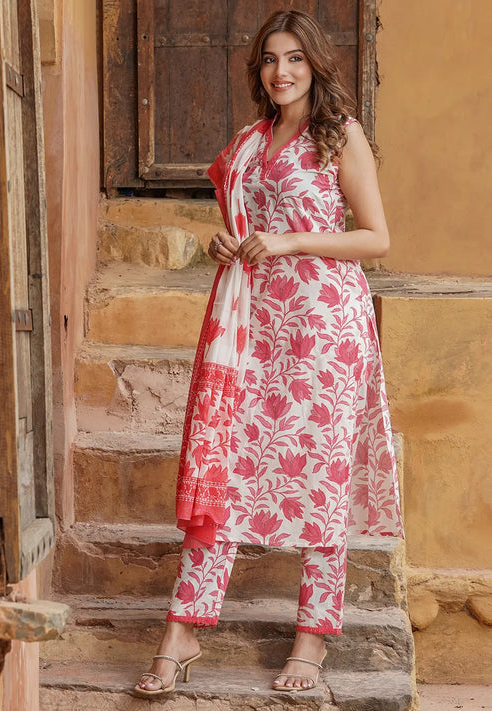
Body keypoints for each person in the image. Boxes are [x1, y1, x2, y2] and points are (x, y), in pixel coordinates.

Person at [135, 9, 403, 697]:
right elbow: (242, 227)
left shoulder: (338, 134)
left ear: (315, 64)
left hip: (324, 329)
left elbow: (375, 238)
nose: (280, 71)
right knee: (223, 469)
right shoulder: (249, 142)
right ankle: (183, 628)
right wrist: (223, 242)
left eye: (294, 58)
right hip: (251, 326)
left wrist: (289, 241)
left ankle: (312, 638)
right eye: (269, 59)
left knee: (320, 475)